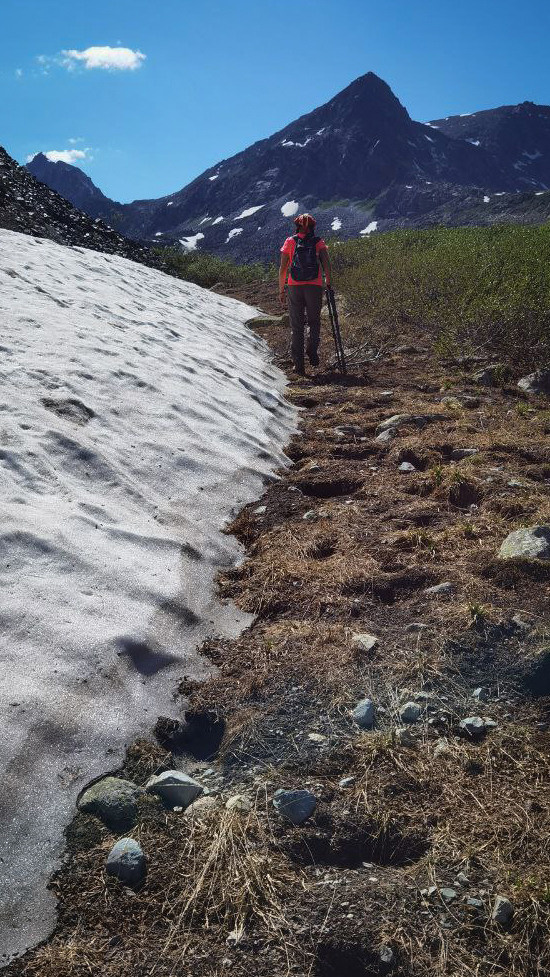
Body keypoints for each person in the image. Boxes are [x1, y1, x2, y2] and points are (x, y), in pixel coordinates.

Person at [279, 213, 332, 375]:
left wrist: (282, 289)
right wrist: (328, 283)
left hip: (294, 285)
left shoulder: (290, 241)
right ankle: (311, 348)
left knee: (297, 326)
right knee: (314, 321)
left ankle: (299, 366)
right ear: (313, 227)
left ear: (297, 226)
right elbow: (327, 265)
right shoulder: (318, 241)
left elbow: (283, 269)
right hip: (314, 286)